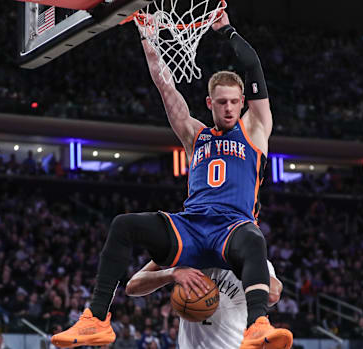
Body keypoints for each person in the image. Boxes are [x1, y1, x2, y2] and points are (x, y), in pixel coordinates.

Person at [51, 11, 293, 349]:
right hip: (192, 228)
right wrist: (149, 42)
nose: (228, 108)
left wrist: (227, 31)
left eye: (235, 102)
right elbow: (166, 87)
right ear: (209, 103)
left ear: (242, 104)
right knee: (123, 225)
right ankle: (96, 318)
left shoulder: (255, 130)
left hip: (231, 229)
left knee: (254, 239)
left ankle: (257, 326)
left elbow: (254, 70)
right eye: (221, 102)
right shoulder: (195, 135)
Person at [125, 260, 282, 349]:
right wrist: (172, 273)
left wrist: (242, 261)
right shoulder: (187, 252)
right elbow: (132, 286)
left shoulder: (252, 258)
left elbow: (273, 294)